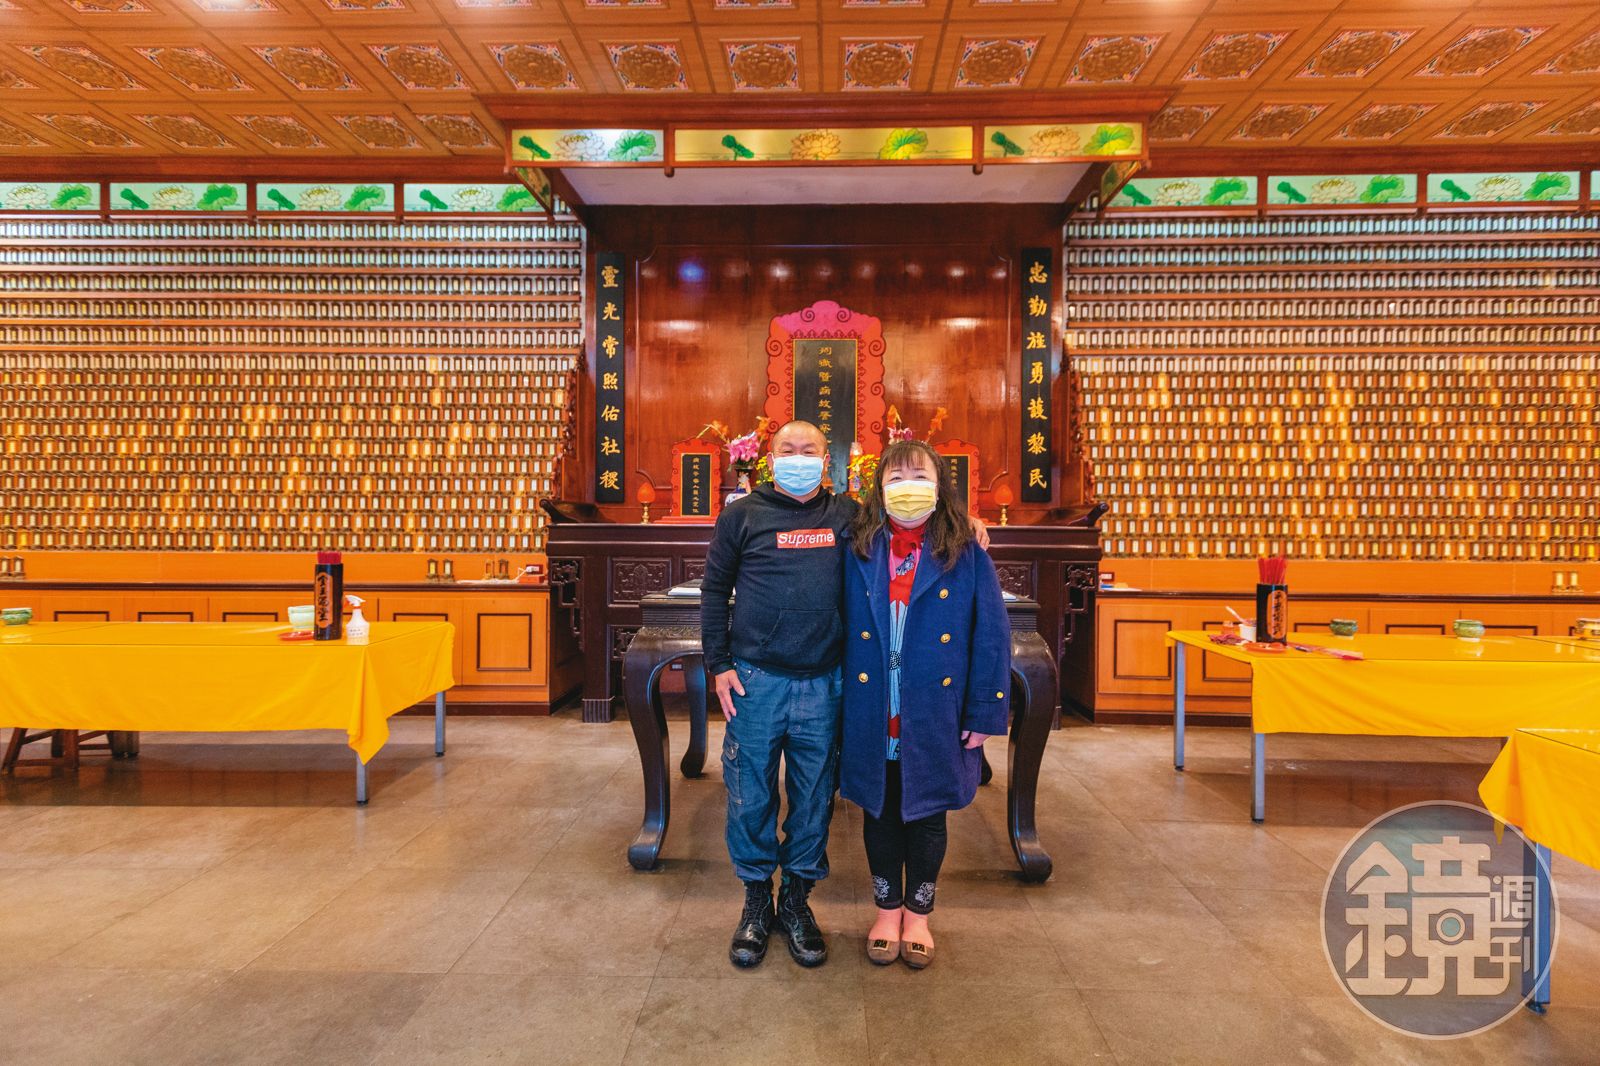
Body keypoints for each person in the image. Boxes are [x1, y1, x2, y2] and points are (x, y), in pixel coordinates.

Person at [701, 420, 989, 970]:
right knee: (749, 796)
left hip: (826, 682)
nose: (799, 458)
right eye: (788, 449)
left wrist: (965, 520)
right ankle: (756, 902)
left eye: (809, 450)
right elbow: (715, 589)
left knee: (813, 800)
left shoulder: (849, 516)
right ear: (769, 459)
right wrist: (719, 664)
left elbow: (911, 525)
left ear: (826, 460)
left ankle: (797, 901)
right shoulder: (740, 515)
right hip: (755, 680)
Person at [839, 438, 1011, 969]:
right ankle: (886, 910)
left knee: (929, 813)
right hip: (873, 704)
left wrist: (984, 712)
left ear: (940, 489)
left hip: (935, 709)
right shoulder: (857, 546)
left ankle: (918, 916)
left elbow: (991, 636)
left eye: (919, 477)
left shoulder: (966, 550)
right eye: (895, 478)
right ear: (878, 488)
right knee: (879, 809)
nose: (907, 488)